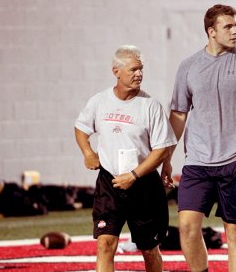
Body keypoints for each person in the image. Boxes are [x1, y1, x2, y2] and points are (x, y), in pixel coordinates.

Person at [161, 4, 236, 272]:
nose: (235, 31)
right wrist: (167, 157)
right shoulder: (188, 66)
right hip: (198, 162)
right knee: (188, 227)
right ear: (211, 31)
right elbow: (178, 114)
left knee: (235, 233)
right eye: (228, 26)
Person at [75, 45, 177, 272]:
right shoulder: (99, 101)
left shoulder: (150, 106)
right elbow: (80, 128)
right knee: (105, 244)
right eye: (133, 69)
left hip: (144, 186)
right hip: (109, 184)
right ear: (116, 71)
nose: (139, 74)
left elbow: (161, 150)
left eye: (141, 69)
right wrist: (88, 153)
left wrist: (134, 175)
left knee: (149, 248)